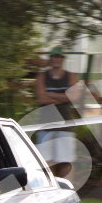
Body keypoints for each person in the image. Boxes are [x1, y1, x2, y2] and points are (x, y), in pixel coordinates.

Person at [34, 46, 79, 178]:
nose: (56, 59)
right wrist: (63, 97)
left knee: (66, 161)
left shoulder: (71, 76)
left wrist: (51, 94)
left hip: (65, 124)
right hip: (45, 124)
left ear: (63, 59)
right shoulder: (42, 76)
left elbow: (73, 97)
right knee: (46, 162)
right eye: (53, 57)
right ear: (50, 58)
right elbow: (41, 98)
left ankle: (67, 187)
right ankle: (51, 188)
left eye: (58, 57)